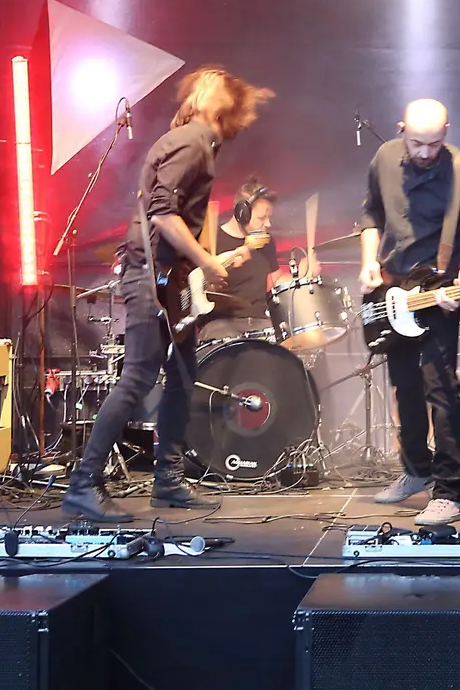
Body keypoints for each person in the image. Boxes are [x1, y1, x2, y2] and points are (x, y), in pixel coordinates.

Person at [62, 66, 273, 522]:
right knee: (138, 376)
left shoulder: (198, 142)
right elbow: (162, 213)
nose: (208, 85)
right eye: (206, 84)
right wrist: (207, 261)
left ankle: (169, 482)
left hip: (169, 281)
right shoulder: (191, 140)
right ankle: (83, 484)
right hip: (150, 277)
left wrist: (198, 264)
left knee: (181, 374)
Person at [360, 98, 460, 527]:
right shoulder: (383, 158)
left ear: (447, 133)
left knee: (442, 389)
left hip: (439, 290)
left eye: (434, 144)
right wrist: (367, 262)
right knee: (404, 388)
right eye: (416, 143)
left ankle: (449, 491)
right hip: (392, 287)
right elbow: (370, 214)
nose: (424, 152)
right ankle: (416, 470)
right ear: (401, 130)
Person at [196, 178, 319, 343]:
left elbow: (276, 280)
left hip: (261, 325)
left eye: (269, 217)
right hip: (221, 326)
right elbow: (198, 283)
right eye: (262, 218)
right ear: (242, 213)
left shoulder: (266, 242)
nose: (268, 223)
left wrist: (303, 274)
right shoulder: (213, 240)